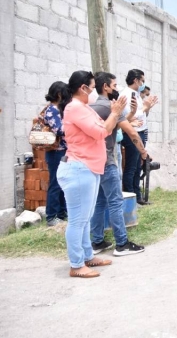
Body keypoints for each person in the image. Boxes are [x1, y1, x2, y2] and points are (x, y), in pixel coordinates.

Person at [56, 70, 127, 278]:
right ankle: (76, 264)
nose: (94, 91)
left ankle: (87, 257)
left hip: (88, 168)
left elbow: (104, 130)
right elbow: (100, 132)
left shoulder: (83, 108)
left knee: (85, 219)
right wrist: (114, 114)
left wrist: (114, 115)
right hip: (79, 169)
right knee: (78, 220)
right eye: (92, 86)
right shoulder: (74, 108)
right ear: (83, 88)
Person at [90, 72, 148, 256]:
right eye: (114, 86)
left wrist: (129, 114)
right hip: (108, 161)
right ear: (105, 87)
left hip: (95, 162)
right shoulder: (111, 108)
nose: (117, 89)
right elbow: (131, 132)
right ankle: (122, 243)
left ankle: (97, 241)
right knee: (115, 202)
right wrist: (144, 152)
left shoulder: (91, 107)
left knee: (100, 202)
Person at [120, 69, 158, 205]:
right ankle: (131, 199)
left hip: (140, 132)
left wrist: (148, 107)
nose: (143, 84)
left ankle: (138, 197)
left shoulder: (135, 94)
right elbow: (129, 116)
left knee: (137, 167)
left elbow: (140, 114)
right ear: (135, 80)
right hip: (132, 133)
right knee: (131, 168)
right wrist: (145, 107)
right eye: (142, 81)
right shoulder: (126, 95)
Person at [43, 82, 68, 226]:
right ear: (59, 94)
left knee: (63, 183)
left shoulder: (59, 109)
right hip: (55, 153)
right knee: (55, 183)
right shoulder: (51, 110)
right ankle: (51, 216)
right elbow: (59, 130)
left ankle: (61, 213)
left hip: (63, 151)